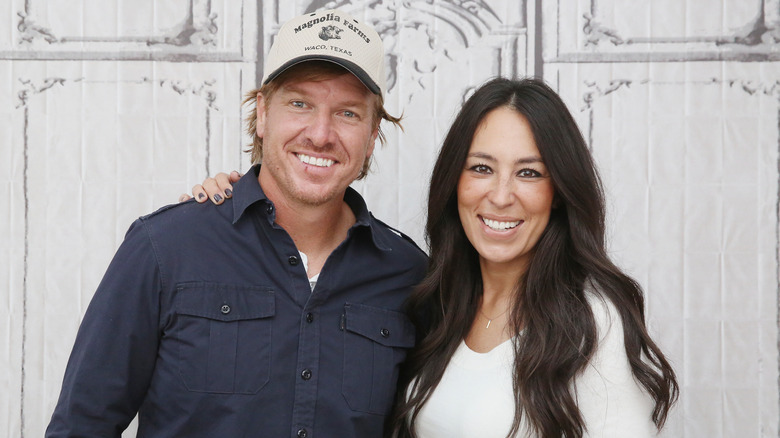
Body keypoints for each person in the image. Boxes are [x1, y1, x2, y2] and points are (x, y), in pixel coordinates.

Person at [194, 78, 679, 437]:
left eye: (529, 173)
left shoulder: (589, 320)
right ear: (455, 183)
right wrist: (236, 205)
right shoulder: (434, 300)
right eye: (481, 168)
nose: (502, 195)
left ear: (559, 193)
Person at [46, 9, 427, 438]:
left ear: (374, 134)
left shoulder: (412, 276)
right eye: (299, 103)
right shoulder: (166, 247)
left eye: (348, 114)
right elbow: (82, 424)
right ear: (263, 114)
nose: (321, 134)